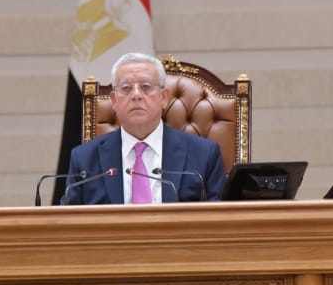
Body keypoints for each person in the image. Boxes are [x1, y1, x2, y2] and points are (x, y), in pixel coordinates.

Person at [62, 52, 226, 205]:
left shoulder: (204, 155)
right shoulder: (84, 159)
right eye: (126, 88)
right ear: (114, 101)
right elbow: (68, 221)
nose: (136, 95)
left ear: (163, 98)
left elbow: (220, 218)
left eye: (146, 87)